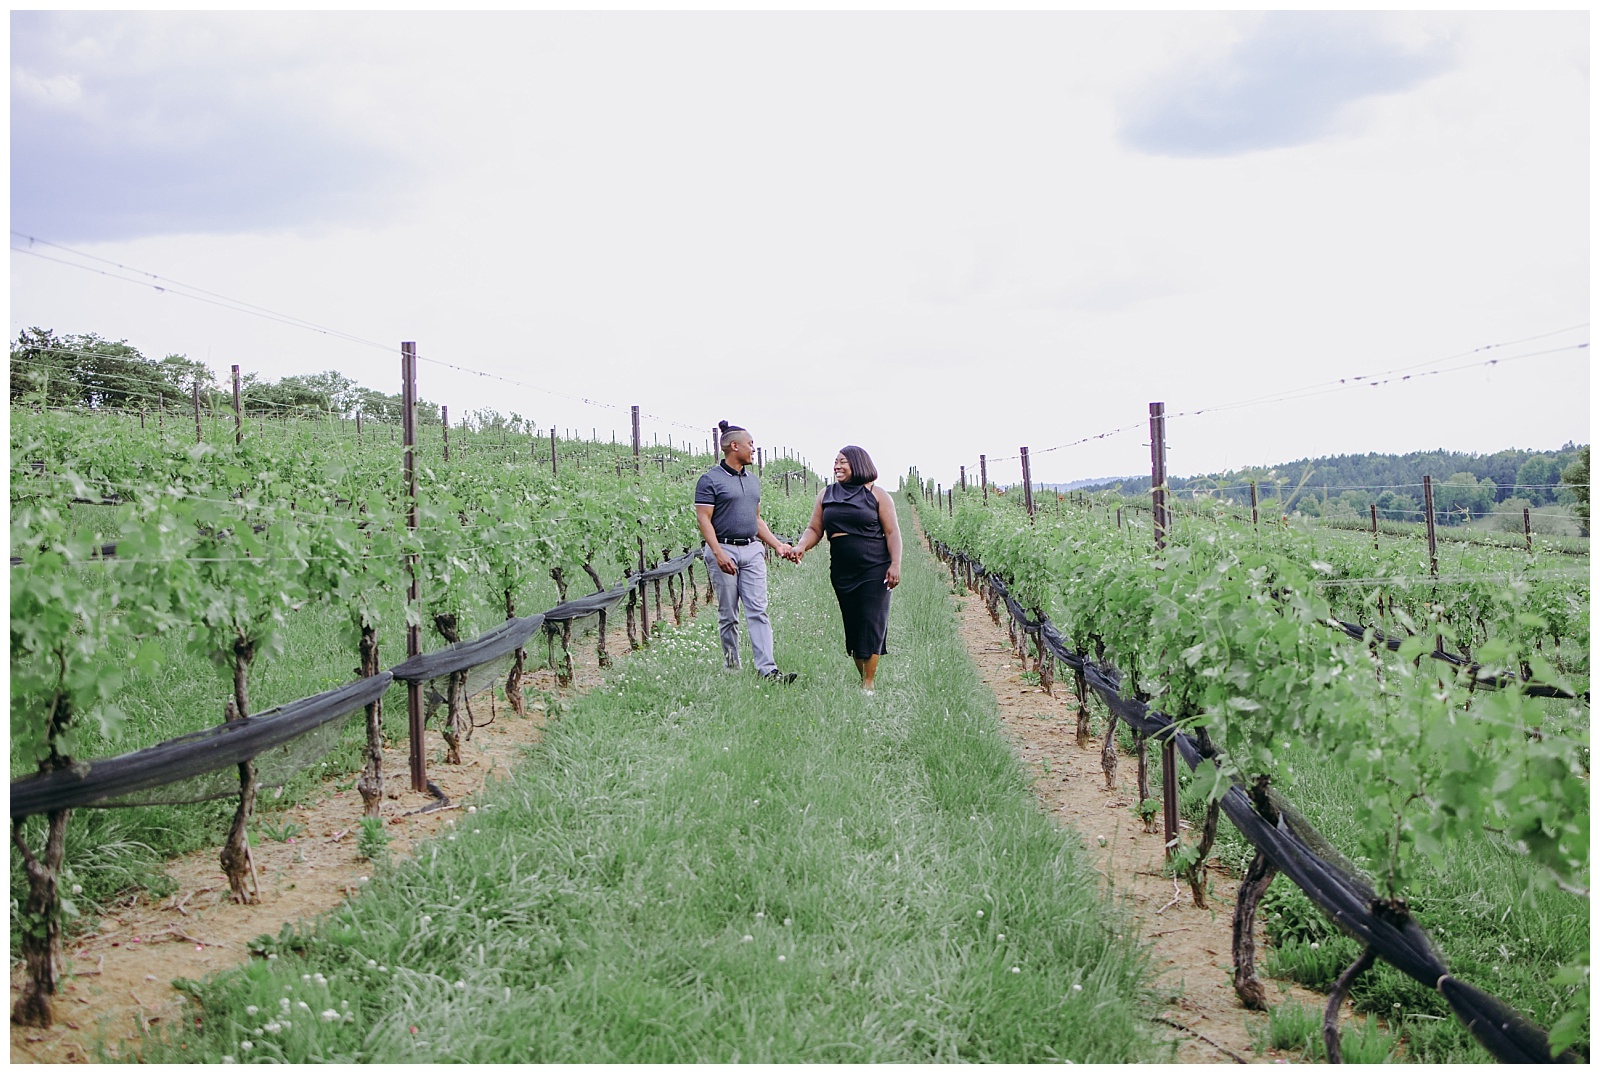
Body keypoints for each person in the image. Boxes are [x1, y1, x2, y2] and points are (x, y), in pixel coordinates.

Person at [787, 445, 901, 694]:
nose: (837, 466)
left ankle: (868, 684)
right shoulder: (826, 494)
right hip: (841, 569)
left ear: (858, 464)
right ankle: (863, 676)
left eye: (843, 462)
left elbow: (892, 532)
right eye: (835, 462)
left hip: (875, 568)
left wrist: (895, 564)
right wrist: (801, 547)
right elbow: (815, 529)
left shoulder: (877, 494)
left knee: (871, 622)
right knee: (853, 624)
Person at [694, 420, 798, 683]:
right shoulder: (709, 480)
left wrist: (777, 545)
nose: (754, 449)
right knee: (729, 614)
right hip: (724, 549)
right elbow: (704, 519)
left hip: (752, 551)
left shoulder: (753, 482)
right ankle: (732, 667)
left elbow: (756, 520)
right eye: (750, 444)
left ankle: (768, 670)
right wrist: (718, 553)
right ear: (734, 446)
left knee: (758, 610)